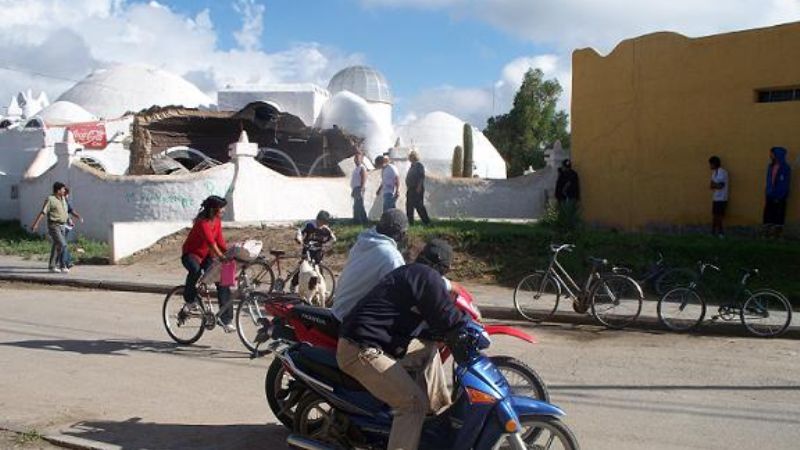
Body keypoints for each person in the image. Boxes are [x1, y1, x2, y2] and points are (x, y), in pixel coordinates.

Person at [337, 239, 467, 450]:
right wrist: (466, 325)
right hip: (361, 350)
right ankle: (418, 415)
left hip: (371, 343)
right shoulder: (425, 275)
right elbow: (445, 315)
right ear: (442, 266)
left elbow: (429, 318)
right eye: (446, 269)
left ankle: (433, 416)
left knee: (429, 347)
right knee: (413, 405)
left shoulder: (413, 272)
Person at [331, 208, 408, 321]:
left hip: (339, 311)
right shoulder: (391, 257)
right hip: (352, 322)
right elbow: (401, 295)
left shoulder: (363, 242)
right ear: (401, 234)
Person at [181, 195, 235, 332]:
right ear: (213, 209)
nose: (224, 211)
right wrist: (222, 256)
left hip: (207, 256)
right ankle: (189, 300)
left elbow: (220, 241)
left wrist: (231, 253)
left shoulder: (216, 221)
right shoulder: (202, 222)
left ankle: (226, 319)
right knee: (195, 270)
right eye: (221, 208)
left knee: (223, 281)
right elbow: (211, 243)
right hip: (191, 255)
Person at [30, 182, 70, 273]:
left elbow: (65, 211)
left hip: (62, 225)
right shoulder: (50, 199)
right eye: (63, 189)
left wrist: (68, 220)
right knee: (62, 244)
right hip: (54, 225)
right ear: (58, 190)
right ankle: (62, 264)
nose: (64, 190)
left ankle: (52, 267)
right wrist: (35, 224)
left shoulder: (63, 199)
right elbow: (43, 212)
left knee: (56, 245)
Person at [763, 147, 792, 237]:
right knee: (768, 214)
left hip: (780, 196)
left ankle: (776, 235)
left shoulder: (785, 168)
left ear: (778, 154)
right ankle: (767, 233)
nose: (770, 155)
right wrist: (768, 192)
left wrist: (779, 196)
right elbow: (769, 180)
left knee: (778, 215)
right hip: (770, 195)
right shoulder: (770, 166)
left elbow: (784, 183)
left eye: (772, 154)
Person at [405, 149, 431, 225]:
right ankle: (410, 222)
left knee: (419, 206)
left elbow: (421, 177)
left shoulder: (419, 165)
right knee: (409, 206)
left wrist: (419, 187)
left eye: (410, 156)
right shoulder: (412, 166)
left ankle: (426, 222)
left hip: (416, 188)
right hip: (411, 189)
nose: (409, 158)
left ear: (414, 157)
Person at [61, 187, 83, 269]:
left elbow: (69, 211)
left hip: (64, 226)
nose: (67, 196)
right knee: (62, 245)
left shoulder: (64, 201)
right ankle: (66, 262)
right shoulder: (61, 201)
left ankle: (65, 262)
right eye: (67, 195)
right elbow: (67, 212)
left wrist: (77, 217)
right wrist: (72, 219)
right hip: (61, 225)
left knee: (62, 245)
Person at [708, 156, 728, 237]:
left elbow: (720, 186)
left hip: (722, 198)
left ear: (715, 164)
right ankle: (713, 232)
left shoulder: (722, 172)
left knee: (719, 216)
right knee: (715, 216)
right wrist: (715, 185)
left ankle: (720, 233)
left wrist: (714, 185)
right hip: (716, 197)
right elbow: (711, 185)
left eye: (711, 164)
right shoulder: (714, 173)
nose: (709, 166)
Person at [350, 152, 369, 225]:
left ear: (361, 159)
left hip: (359, 188)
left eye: (358, 158)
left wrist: (362, 188)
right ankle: (364, 220)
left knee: (357, 205)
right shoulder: (356, 168)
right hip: (355, 188)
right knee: (359, 205)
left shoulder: (362, 168)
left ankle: (357, 220)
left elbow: (364, 178)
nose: (356, 160)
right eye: (355, 158)